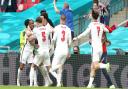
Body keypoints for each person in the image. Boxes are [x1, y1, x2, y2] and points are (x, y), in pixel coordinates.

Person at [73, 10, 115, 88]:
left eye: (91, 14)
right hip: (101, 48)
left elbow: (85, 33)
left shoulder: (91, 25)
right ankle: (90, 85)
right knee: (92, 66)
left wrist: (77, 37)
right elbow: (110, 30)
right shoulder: (101, 25)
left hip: (95, 48)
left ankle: (105, 66)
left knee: (95, 65)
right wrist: (106, 26)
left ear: (92, 16)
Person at [49, 14, 72, 87]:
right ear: (65, 20)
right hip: (65, 50)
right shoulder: (68, 29)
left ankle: (58, 70)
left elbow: (53, 39)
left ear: (60, 19)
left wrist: (51, 47)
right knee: (60, 69)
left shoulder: (57, 28)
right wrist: (69, 52)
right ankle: (59, 83)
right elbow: (70, 42)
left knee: (52, 69)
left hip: (58, 50)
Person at [32, 16, 53, 87]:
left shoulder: (36, 29)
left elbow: (33, 27)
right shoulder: (47, 28)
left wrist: (35, 24)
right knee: (43, 66)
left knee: (33, 66)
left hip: (40, 51)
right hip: (46, 52)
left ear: (37, 23)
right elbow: (52, 30)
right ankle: (49, 81)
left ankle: (32, 84)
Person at [17, 19, 37, 86]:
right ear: (28, 25)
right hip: (25, 50)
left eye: (33, 23)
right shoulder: (26, 31)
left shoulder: (33, 30)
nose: (33, 24)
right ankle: (18, 82)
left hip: (31, 51)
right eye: (31, 23)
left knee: (33, 66)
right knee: (22, 66)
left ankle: (33, 84)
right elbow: (28, 36)